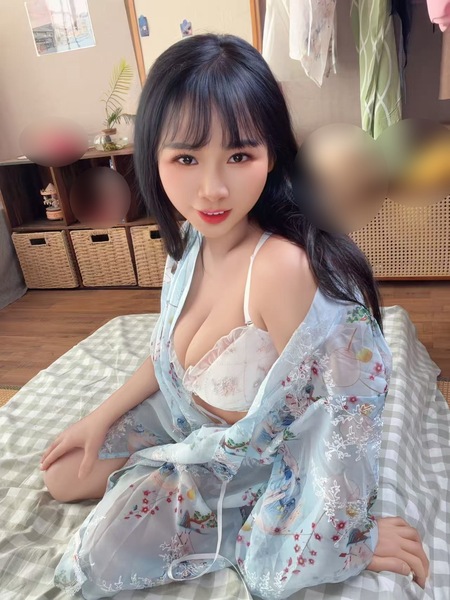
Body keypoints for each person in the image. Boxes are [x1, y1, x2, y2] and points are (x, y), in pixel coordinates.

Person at [40, 34, 429, 599]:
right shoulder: (188, 243)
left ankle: (208, 495)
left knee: (98, 556)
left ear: (272, 154)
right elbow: (166, 356)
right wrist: (99, 418)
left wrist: (350, 533)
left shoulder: (280, 268)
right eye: (186, 158)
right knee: (61, 474)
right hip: (183, 416)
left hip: (242, 457)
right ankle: (157, 461)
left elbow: (339, 413)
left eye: (240, 156)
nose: (213, 189)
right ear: (152, 157)